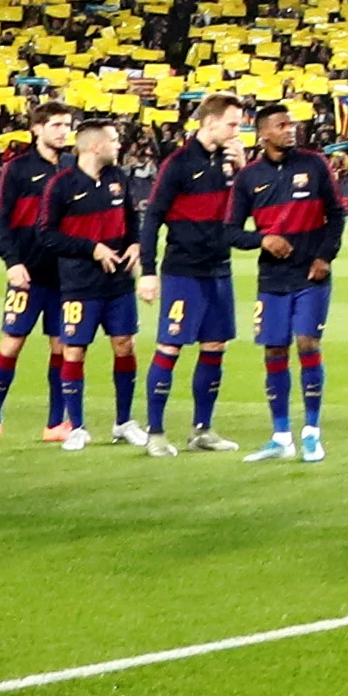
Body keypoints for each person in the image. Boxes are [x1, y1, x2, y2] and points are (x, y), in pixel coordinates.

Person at [235, 102, 348, 463]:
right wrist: (262, 240)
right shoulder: (248, 178)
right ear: (263, 132)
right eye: (282, 125)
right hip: (272, 278)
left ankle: (312, 433)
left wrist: (325, 257)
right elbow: (229, 231)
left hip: (310, 275)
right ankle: (281, 435)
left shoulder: (314, 164)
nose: (290, 129)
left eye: (292, 124)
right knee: (274, 350)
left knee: (307, 342)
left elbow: (336, 213)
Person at [138, 97, 250, 452]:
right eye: (232, 124)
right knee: (170, 347)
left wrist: (245, 170)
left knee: (215, 347)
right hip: (183, 270)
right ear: (210, 123)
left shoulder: (233, 164)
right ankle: (155, 432)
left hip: (219, 268)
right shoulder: (179, 164)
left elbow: (250, 212)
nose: (238, 132)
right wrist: (147, 271)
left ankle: (202, 429)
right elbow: (153, 216)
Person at [43, 117, 149, 450]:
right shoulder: (60, 185)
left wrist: (135, 244)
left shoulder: (119, 178)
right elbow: (46, 235)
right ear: (95, 146)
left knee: (125, 346)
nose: (120, 146)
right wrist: (92, 248)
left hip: (118, 283)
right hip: (79, 285)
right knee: (74, 350)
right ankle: (77, 426)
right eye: (114, 141)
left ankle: (124, 422)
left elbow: (133, 219)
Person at [0, 106, 73, 447]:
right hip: (27, 276)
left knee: (63, 349)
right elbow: (0, 220)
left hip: (67, 277)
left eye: (66, 125)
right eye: (56, 124)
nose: (63, 131)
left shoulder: (73, 168)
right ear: (36, 129)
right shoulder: (17, 170)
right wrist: (12, 262)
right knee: (11, 344)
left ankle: (56, 423)